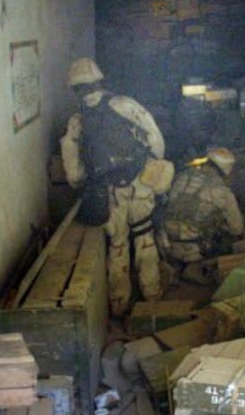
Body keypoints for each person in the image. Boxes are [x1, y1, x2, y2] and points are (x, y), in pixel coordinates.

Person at [60, 58, 173, 317]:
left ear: (75, 90)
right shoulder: (124, 104)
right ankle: (152, 296)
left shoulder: (77, 122)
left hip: (108, 192)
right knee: (145, 238)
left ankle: (120, 304)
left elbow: (73, 171)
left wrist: (81, 183)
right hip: (139, 183)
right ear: (100, 81)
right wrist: (153, 163)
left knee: (117, 246)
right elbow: (154, 135)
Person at [163, 148, 245, 283]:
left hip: (167, 246)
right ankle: (196, 267)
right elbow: (237, 228)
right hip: (194, 250)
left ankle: (176, 266)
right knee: (227, 231)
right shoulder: (222, 191)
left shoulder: (181, 176)